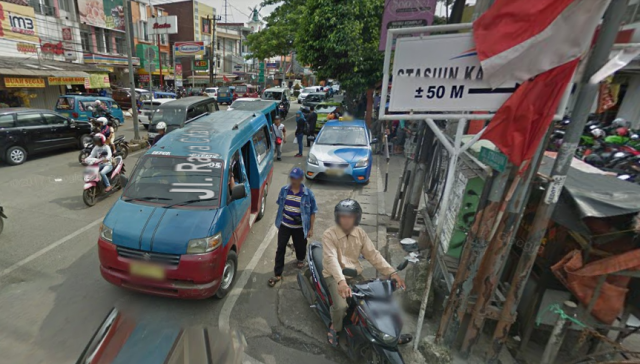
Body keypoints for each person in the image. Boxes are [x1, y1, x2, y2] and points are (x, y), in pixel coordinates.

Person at [322, 199, 406, 346]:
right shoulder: (329, 235)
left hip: (354, 274)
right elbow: (331, 259)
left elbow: (373, 255)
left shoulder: (360, 234)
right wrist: (341, 282)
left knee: (375, 300)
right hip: (334, 276)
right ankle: (335, 327)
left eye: (350, 216)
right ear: (337, 217)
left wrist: (392, 272)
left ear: (356, 217)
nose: (346, 220)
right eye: (342, 216)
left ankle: (387, 332)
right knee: (341, 306)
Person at [268, 167, 317, 287]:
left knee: (300, 246)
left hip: (299, 227)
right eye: (292, 178)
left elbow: (312, 212)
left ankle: (300, 258)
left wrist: (310, 228)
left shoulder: (308, 194)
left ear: (301, 179)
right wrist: (280, 222)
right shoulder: (284, 190)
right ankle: (278, 272)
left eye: (295, 178)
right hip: (285, 225)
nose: (293, 180)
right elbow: (281, 206)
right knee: (280, 248)